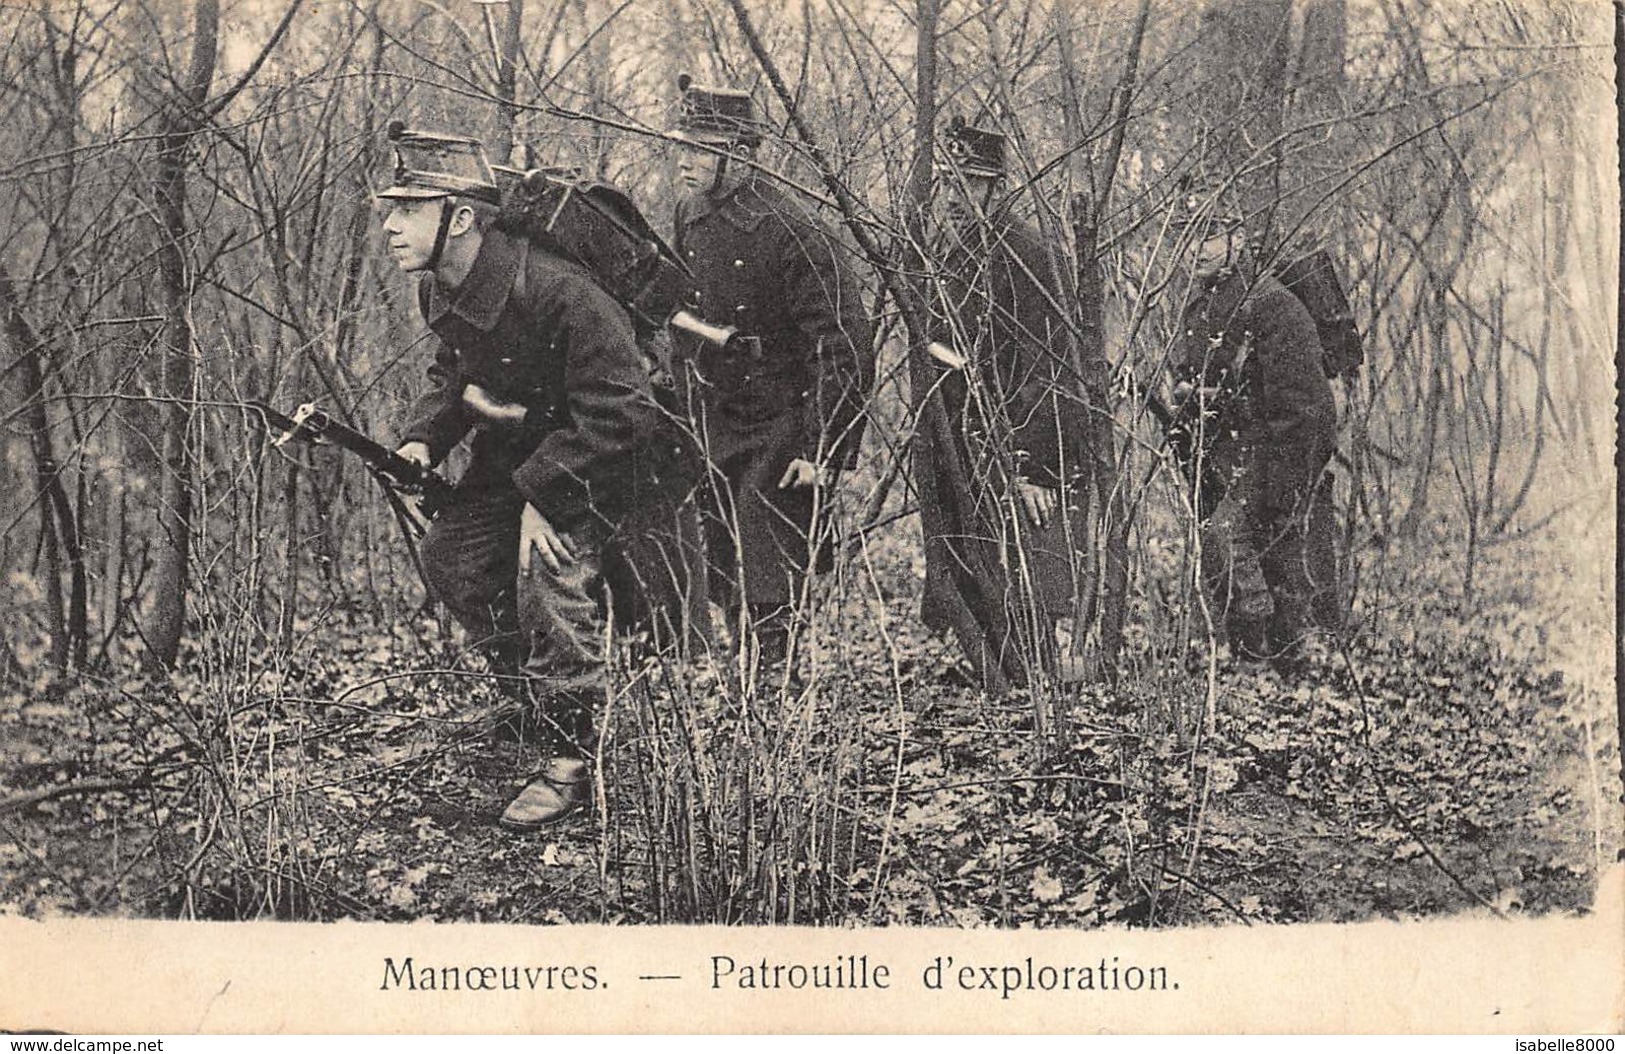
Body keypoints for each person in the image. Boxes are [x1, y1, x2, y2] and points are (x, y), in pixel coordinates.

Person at [376, 123, 655, 827]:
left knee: (546, 568)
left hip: (605, 455)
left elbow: (624, 408)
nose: (389, 224)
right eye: (393, 207)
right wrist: (421, 441)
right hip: (525, 456)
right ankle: (534, 697)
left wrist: (543, 497)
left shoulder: (559, 290)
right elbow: (453, 370)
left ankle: (569, 756)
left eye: (409, 208)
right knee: (454, 557)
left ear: (462, 218)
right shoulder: (441, 287)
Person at [666, 76, 875, 675]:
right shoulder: (690, 212)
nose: (685, 159)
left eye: (699, 147)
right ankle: (746, 671)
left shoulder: (794, 229)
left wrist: (823, 445)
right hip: (715, 408)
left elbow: (843, 344)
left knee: (769, 553)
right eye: (681, 145)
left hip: (782, 416)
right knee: (724, 550)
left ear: (737, 153)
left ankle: (773, 683)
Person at [918, 117, 1093, 692]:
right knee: (978, 559)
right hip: (963, 436)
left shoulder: (1026, 254)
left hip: (1014, 440)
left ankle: (1034, 680)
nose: (953, 197)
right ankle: (1000, 673)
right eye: (946, 183)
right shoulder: (951, 252)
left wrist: (1034, 466)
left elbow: (1049, 368)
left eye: (966, 184)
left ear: (996, 187)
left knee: (1027, 572)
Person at [1165, 181, 1341, 675]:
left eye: (1209, 234)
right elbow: (1200, 373)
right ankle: (1257, 669)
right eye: (1185, 234)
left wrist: (1278, 487)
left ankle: (1271, 675)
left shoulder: (1272, 304)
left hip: (1272, 460)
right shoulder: (1199, 304)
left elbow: (1308, 410)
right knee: (1228, 558)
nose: (1196, 247)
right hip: (1221, 458)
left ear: (1236, 239)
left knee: (1257, 557)